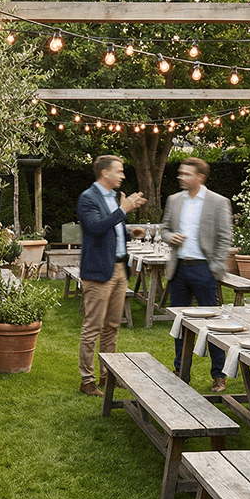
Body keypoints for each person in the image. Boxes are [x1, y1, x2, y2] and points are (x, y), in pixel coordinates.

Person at [160, 157, 233, 392]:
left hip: (204, 268)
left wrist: (215, 269)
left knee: (211, 325)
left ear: (200, 177)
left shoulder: (218, 202)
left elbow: (224, 238)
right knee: (180, 324)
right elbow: (164, 229)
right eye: (181, 173)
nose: (181, 177)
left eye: (186, 174)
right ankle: (181, 371)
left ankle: (219, 375)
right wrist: (170, 237)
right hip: (179, 268)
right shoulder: (173, 201)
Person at [77, 154, 146, 397]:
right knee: (92, 327)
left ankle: (107, 375)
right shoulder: (88, 198)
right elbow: (95, 228)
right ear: (105, 173)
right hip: (98, 271)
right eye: (119, 171)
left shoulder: (113, 198)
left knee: (112, 326)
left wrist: (128, 231)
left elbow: (110, 227)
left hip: (118, 268)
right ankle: (87, 381)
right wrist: (124, 210)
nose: (123, 175)